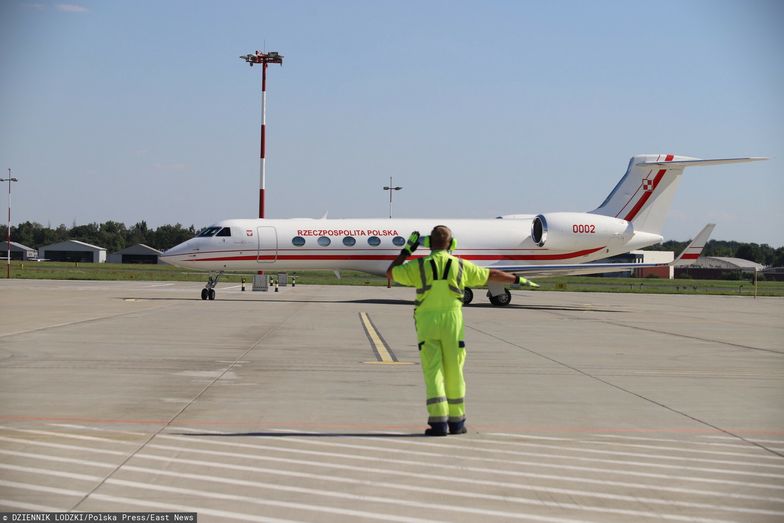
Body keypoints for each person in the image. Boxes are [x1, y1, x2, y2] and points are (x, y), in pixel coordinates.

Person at [386, 225, 538, 436]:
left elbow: (391, 273)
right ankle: (457, 422)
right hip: (452, 323)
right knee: (455, 372)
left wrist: (406, 252)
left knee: (433, 372)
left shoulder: (419, 266)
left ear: (430, 243)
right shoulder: (460, 266)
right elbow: (490, 274)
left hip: (427, 322)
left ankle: (438, 423)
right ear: (452, 244)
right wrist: (520, 280)